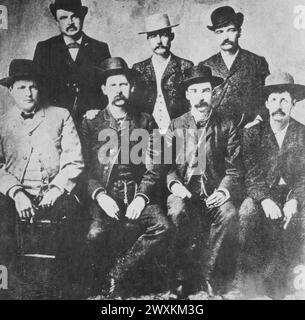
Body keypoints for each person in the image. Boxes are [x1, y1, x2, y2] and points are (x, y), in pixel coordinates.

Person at [81, 57, 171, 298]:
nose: (118, 91)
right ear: (103, 89)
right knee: (95, 233)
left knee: (162, 226)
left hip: (137, 192)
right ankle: (97, 284)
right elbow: (86, 170)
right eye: (112, 85)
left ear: (130, 87)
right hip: (106, 196)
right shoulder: (92, 122)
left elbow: (155, 166)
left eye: (123, 85)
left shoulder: (144, 120)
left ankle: (118, 274)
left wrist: (142, 197)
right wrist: (100, 196)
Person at [0, 59, 84, 298]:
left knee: (74, 221)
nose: (28, 93)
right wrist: (16, 193)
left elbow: (74, 160)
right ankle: (9, 288)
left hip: (54, 191)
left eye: (33, 87)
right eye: (21, 87)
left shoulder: (60, 115)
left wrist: (57, 190)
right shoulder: (2, 121)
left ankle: (61, 290)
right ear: (10, 90)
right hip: (14, 194)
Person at [165, 65, 242, 298]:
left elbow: (234, 168)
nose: (201, 97)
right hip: (184, 191)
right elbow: (167, 168)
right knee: (177, 210)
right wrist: (176, 186)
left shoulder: (227, 124)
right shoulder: (176, 125)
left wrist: (224, 191)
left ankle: (208, 277)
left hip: (212, 193)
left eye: (206, 91)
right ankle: (181, 279)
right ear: (187, 95)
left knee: (228, 213)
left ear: (213, 93)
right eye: (195, 91)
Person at [229, 72, 305, 300]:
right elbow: (252, 175)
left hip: (293, 194)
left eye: (284, 99)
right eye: (273, 99)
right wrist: (265, 199)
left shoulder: (303, 133)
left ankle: (294, 282)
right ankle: (242, 284)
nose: (278, 106)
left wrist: (295, 199)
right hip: (262, 192)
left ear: (293, 102)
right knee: (246, 212)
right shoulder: (252, 134)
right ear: (266, 103)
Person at [33, 0, 111, 126]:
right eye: (63, 18)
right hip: (55, 123)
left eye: (74, 16)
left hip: (92, 122)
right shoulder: (44, 48)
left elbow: (108, 86)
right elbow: (37, 87)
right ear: (57, 20)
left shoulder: (100, 48)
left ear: (82, 17)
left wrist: (98, 111)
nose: (70, 22)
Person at [199, 6, 270, 126]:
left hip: (248, 130)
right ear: (215, 35)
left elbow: (268, 96)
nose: (225, 37)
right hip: (215, 132)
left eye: (230, 30)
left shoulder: (257, 62)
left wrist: (258, 120)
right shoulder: (205, 66)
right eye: (219, 32)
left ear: (239, 32)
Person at [132, 13, 193, 134]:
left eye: (164, 35)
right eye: (153, 36)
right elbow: (133, 106)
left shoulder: (185, 66)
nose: (159, 41)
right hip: (146, 133)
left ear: (172, 36)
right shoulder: (138, 69)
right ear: (148, 39)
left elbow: (191, 104)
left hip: (178, 133)